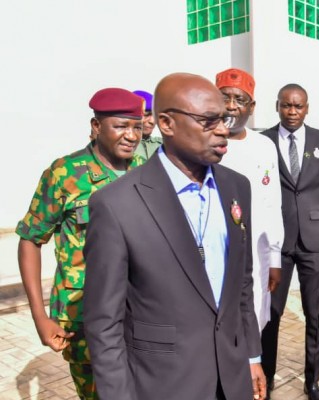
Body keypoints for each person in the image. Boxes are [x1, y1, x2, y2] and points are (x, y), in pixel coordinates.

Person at [83, 73, 267, 400]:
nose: (224, 129)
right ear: (166, 123)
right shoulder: (117, 204)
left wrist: (252, 356)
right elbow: (104, 325)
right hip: (163, 384)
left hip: (232, 376)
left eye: (223, 118)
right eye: (208, 121)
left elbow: (243, 284)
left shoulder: (237, 188)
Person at [16, 88, 145, 400]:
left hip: (140, 311)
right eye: (120, 126)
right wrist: (40, 316)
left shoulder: (144, 169)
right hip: (84, 312)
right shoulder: (65, 173)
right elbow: (30, 240)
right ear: (96, 126)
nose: (130, 135)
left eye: (137, 126)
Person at [261, 83, 319, 400]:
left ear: (307, 108)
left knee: (315, 314)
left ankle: (313, 380)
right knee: (271, 314)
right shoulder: (262, 141)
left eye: (298, 106)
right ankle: (265, 378)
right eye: (286, 106)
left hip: (315, 241)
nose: (292, 112)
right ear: (277, 106)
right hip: (277, 241)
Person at [215, 67, 284, 331]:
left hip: (257, 253)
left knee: (254, 319)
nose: (231, 107)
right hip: (217, 250)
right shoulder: (204, 143)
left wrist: (275, 260)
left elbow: (272, 204)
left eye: (239, 100)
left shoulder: (264, 146)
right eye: (224, 98)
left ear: (251, 106)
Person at [132, 90, 162, 159]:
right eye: (146, 115)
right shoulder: (123, 146)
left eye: (155, 116)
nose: (152, 121)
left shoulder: (163, 146)